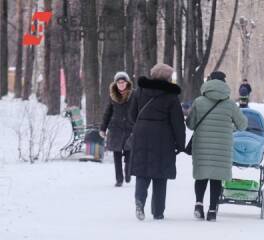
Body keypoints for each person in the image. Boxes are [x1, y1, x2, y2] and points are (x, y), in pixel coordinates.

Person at [186, 71, 248, 222]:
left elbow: (190, 124)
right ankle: (212, 211)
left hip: (202, 145)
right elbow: (243, 125)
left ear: (209, 82)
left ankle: (198, 205)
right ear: (224, 83)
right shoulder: (230, 104)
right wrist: (230, 126)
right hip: (222, 147)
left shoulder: (199, 102)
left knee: (201, 175)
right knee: (217, 178)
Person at [128, 63, 186, 221]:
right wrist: (180, 144)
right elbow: (178, 123)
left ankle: (140, 201)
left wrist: (141, 126)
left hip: (141, 135)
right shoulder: (171, 96)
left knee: (142, 171)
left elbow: (132, 115)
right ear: (167, 77)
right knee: (160, 174)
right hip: (163, 138)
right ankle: (158, 211)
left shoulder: (139, 91)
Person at [100, 72, 134, 187]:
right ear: (116, 84)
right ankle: (119, 179)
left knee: (129, 153)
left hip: (130, 129)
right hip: (115, 129)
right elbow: (107, 113)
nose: (121, 85)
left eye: (123, 82)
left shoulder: (133, 95)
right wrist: (103, 128)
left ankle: (128, 173)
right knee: (117, 155)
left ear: (127, 83)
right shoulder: (112, 96)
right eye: (119, 83)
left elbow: (138, 111)